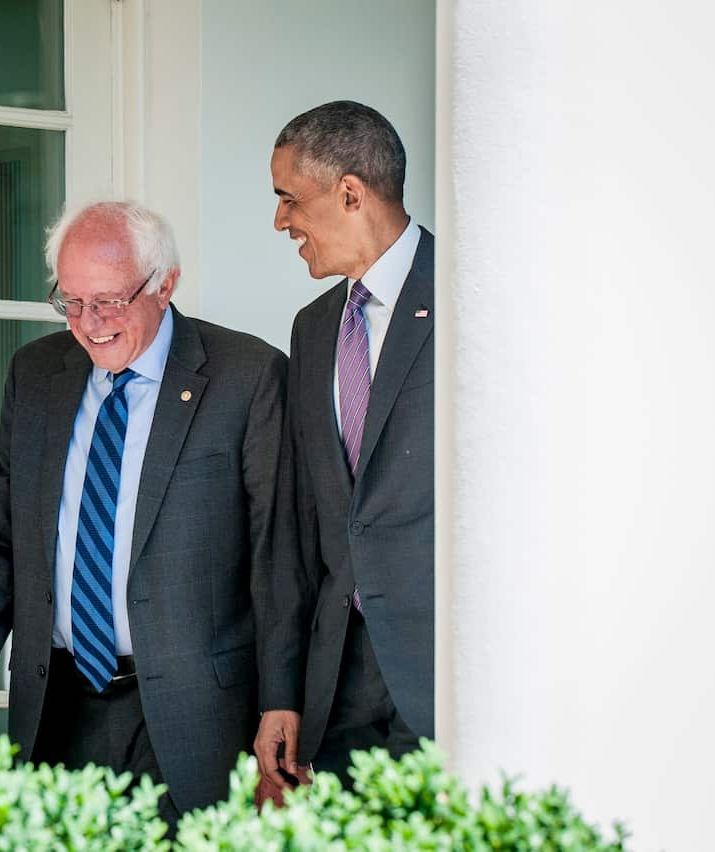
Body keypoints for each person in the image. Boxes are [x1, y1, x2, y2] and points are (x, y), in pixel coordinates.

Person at [0, 201, 288, 823]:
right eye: (72, 300)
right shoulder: (36, 374)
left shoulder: (247, 378)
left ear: (165, 284)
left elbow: (279, 561)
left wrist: (283, 703)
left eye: (108, 301)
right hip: (59, 702)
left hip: (196, 713)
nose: (89, 324)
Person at [254, 101, 435, 797]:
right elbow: (300, 529)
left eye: (288, 199)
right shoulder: (312, 328)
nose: (280, 222)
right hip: (339, 683)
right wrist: (284, 692)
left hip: (445, 676)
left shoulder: (472, 296)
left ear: (351, 193)